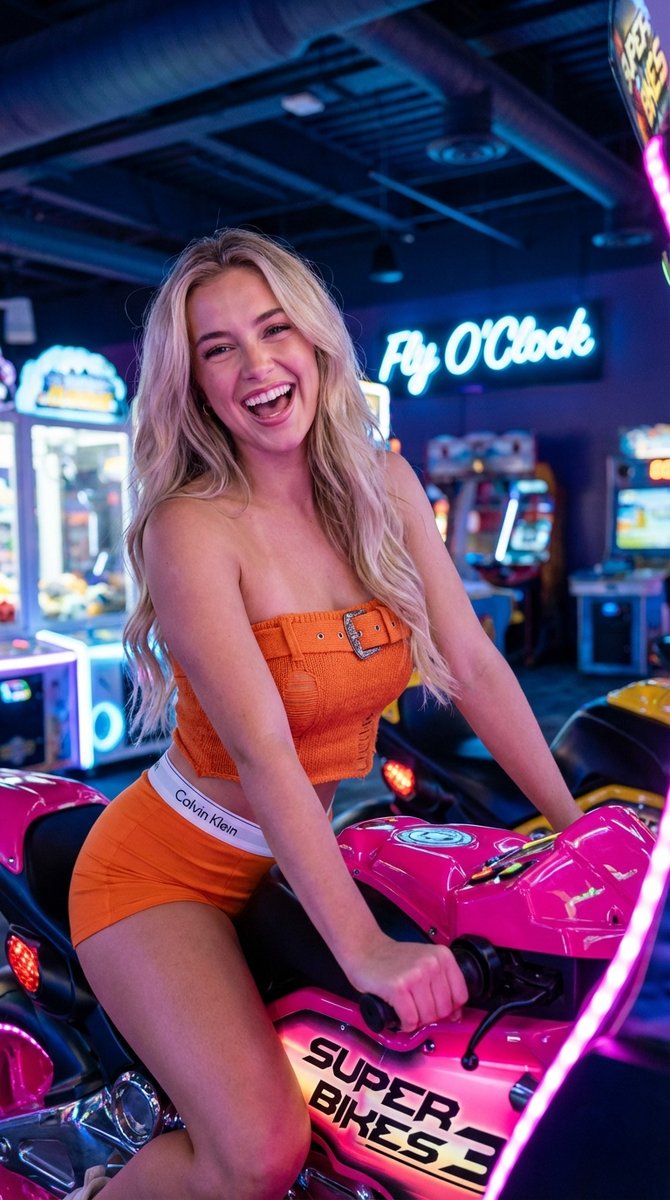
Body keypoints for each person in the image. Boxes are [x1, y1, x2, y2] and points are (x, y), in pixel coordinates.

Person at [68, 227, 582, 1200]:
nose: (257, 366)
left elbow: (473, 664)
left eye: (274, 330)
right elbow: (263, 749)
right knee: (260, 1155)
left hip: (299, 855)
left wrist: (576, 824)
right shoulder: (191, 526)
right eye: (219, 349)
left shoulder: (383, 485)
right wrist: (364, 949)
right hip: (162, 872)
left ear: (315, 341)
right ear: (195, 384)